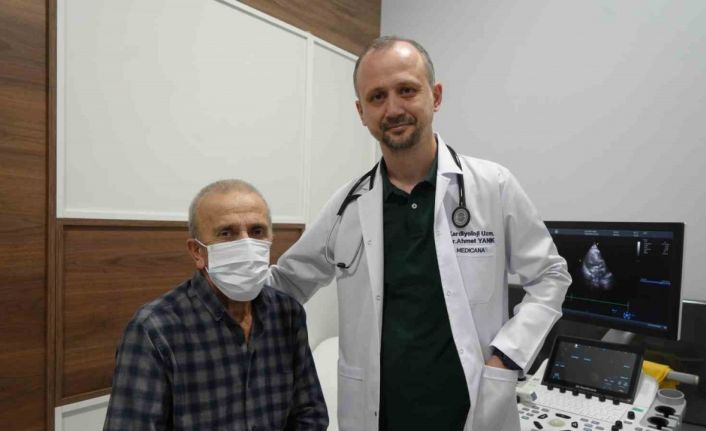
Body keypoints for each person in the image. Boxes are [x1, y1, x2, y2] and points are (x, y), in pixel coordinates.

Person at [268, 36, 571, 431]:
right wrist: (220, 287)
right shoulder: (347, 206)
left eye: (407, 90)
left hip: (470, 411)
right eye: (377, 97)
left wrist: (509, 354)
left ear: (435, 96)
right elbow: (286, 283)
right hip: (379, 417)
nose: (393, 108)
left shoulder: (492, 187)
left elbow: (550, 275)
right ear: (361, 112)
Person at [103, 179, 328, 431]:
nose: (246, 245)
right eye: (226, 233)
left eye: (257, 231)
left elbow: (310, 415)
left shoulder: (287, 314)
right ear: (197, 252)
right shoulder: (154, 331)